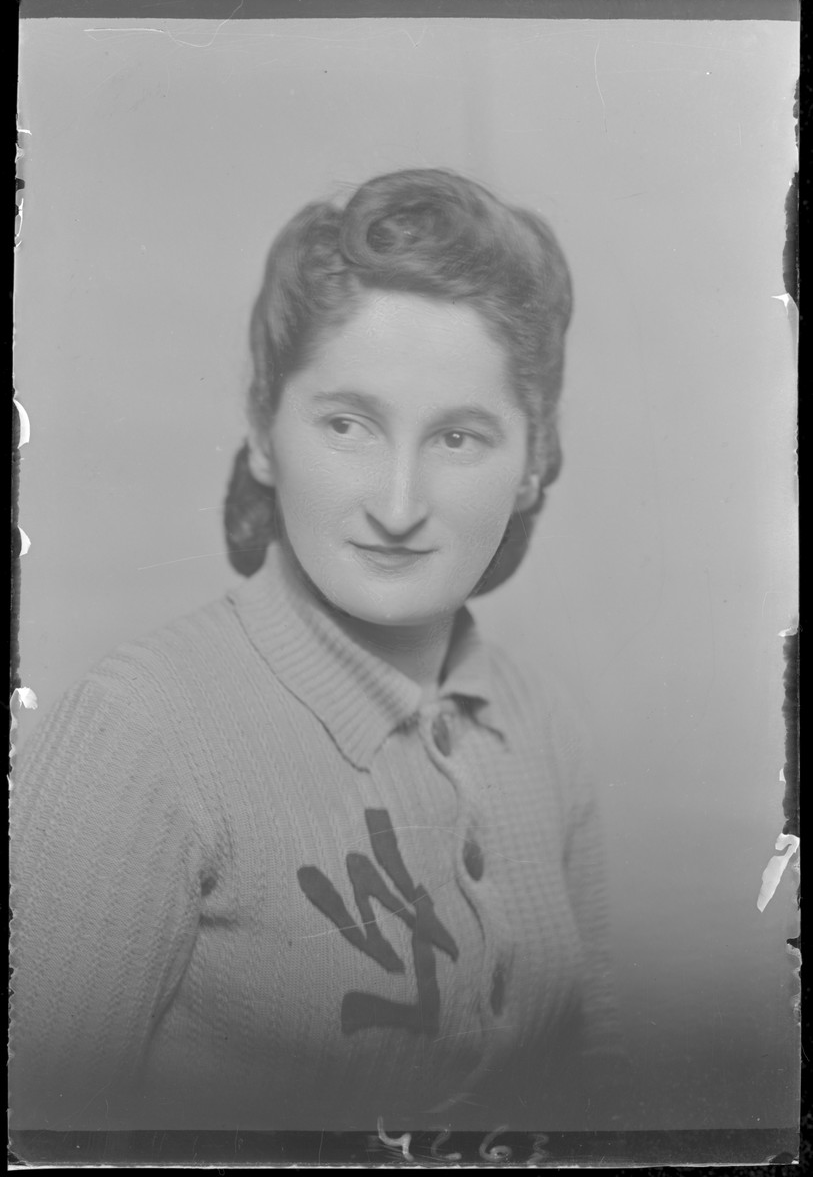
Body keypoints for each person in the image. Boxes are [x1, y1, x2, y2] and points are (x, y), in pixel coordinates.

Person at [10, 168, 627, 1134]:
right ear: (263, 430)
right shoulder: (138, 736)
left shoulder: (541, 724)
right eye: (348, 424)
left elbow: (606, 1099)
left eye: (459, 438)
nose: (395, 504)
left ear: (533, 461)